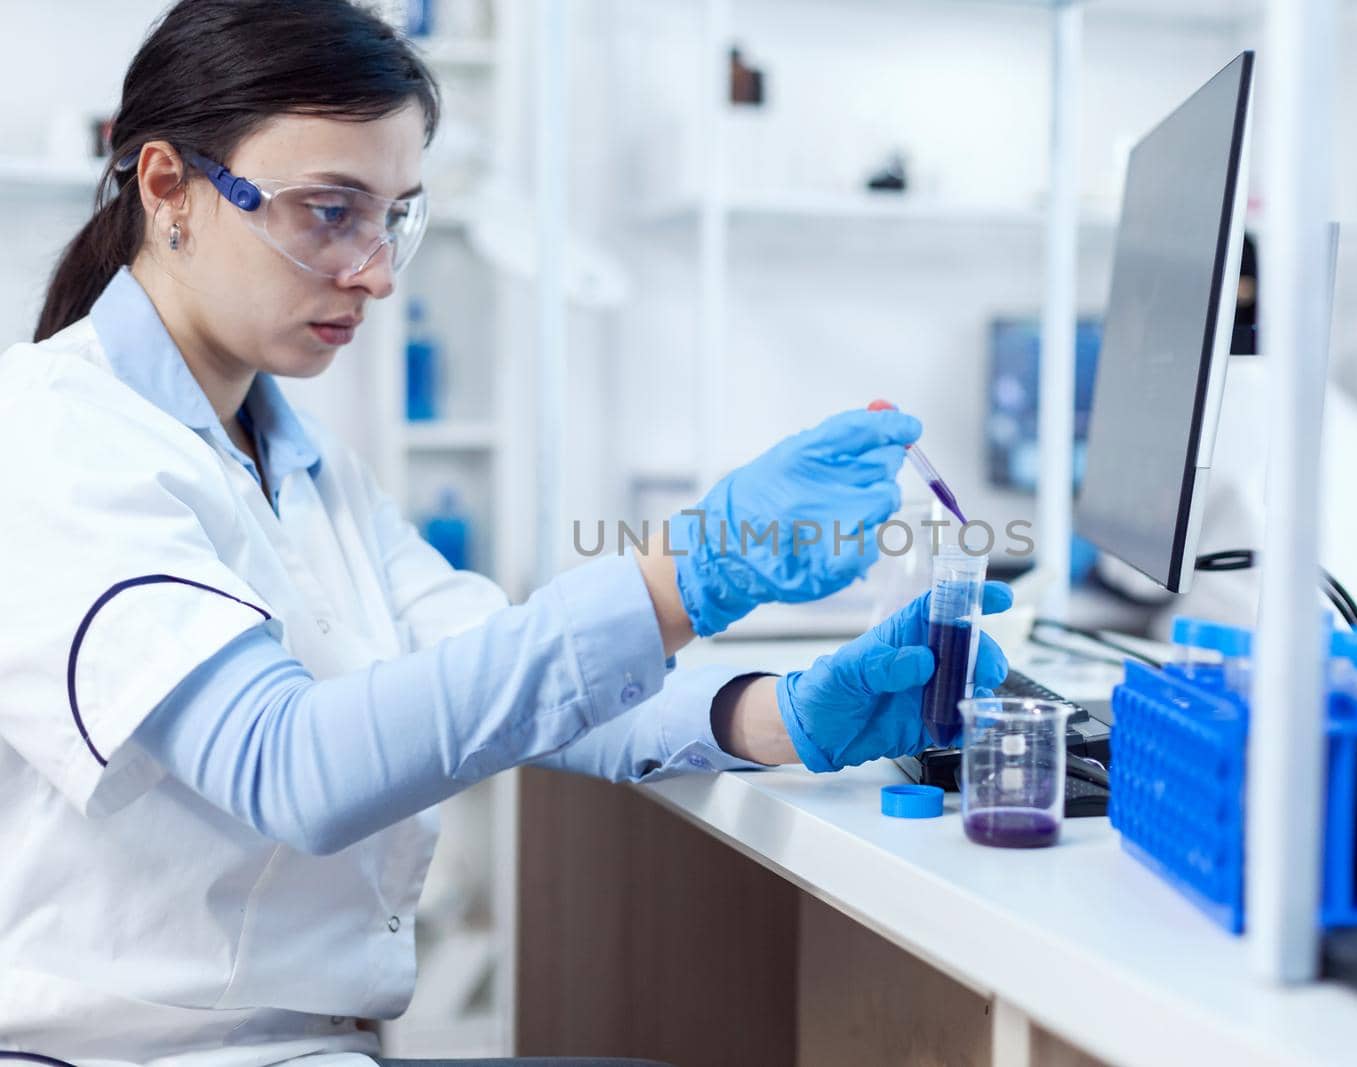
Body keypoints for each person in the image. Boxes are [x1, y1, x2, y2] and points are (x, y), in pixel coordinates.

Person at [0, 3, 1010, 1066]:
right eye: (328, 211)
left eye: (394, 215)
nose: (378, 271)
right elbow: (287, 762)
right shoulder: (51, 435)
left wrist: (775, 713)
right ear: (168, 187)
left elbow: (510, 672)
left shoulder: (302, 463)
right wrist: (681, 573)